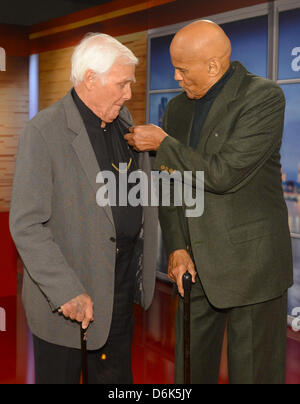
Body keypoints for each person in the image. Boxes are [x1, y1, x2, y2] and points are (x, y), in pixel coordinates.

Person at [125, 20, 293, 384]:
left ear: (213, 66)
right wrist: (177, 248)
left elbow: (222, 174)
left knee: (253, 375)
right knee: (189, 372)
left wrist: (162, 144)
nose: (176, 77)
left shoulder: (263, 98)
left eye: (183, 69)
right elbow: (169, 184)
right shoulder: (179, 109)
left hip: (252, 270)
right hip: (194, 268)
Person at [9, 33, 158, 384]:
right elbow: (27, 225)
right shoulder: (44, 131)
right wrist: (66, 291)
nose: (129, 94)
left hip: (120, 298)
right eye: (122, 84)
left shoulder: (126, 125)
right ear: (90, 79)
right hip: (70, 304)